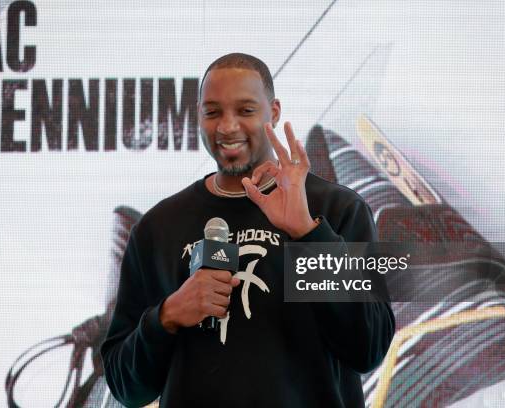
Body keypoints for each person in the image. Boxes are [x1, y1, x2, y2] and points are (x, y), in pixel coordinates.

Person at [101, 53, 395, 408]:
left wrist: (307, 234)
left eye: (245, 111)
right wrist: (168, 315)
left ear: (273, 112)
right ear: (198, 116)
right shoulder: (156, 228)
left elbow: (368, 349)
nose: (227, 127)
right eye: (212, 112)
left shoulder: (336, 210)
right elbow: (125, 387)